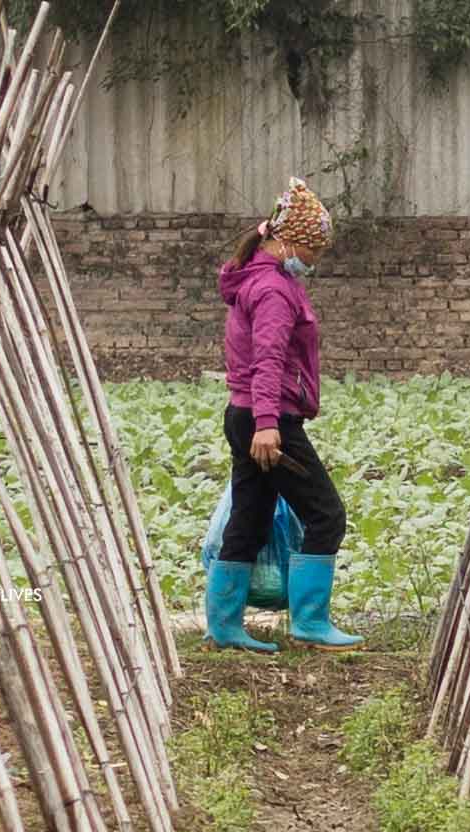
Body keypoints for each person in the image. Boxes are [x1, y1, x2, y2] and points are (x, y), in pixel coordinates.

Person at [205, 176, 363, 653]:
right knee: (326, 515)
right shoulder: (273, 289)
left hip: (243, 413)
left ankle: (224, 627)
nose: (315, 260)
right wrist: (270, 425)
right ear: (290, 240)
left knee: (250, 519)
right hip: (265, 421)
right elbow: (268, 360)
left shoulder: (254, 275)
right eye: (314, 250)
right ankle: (310, 624)